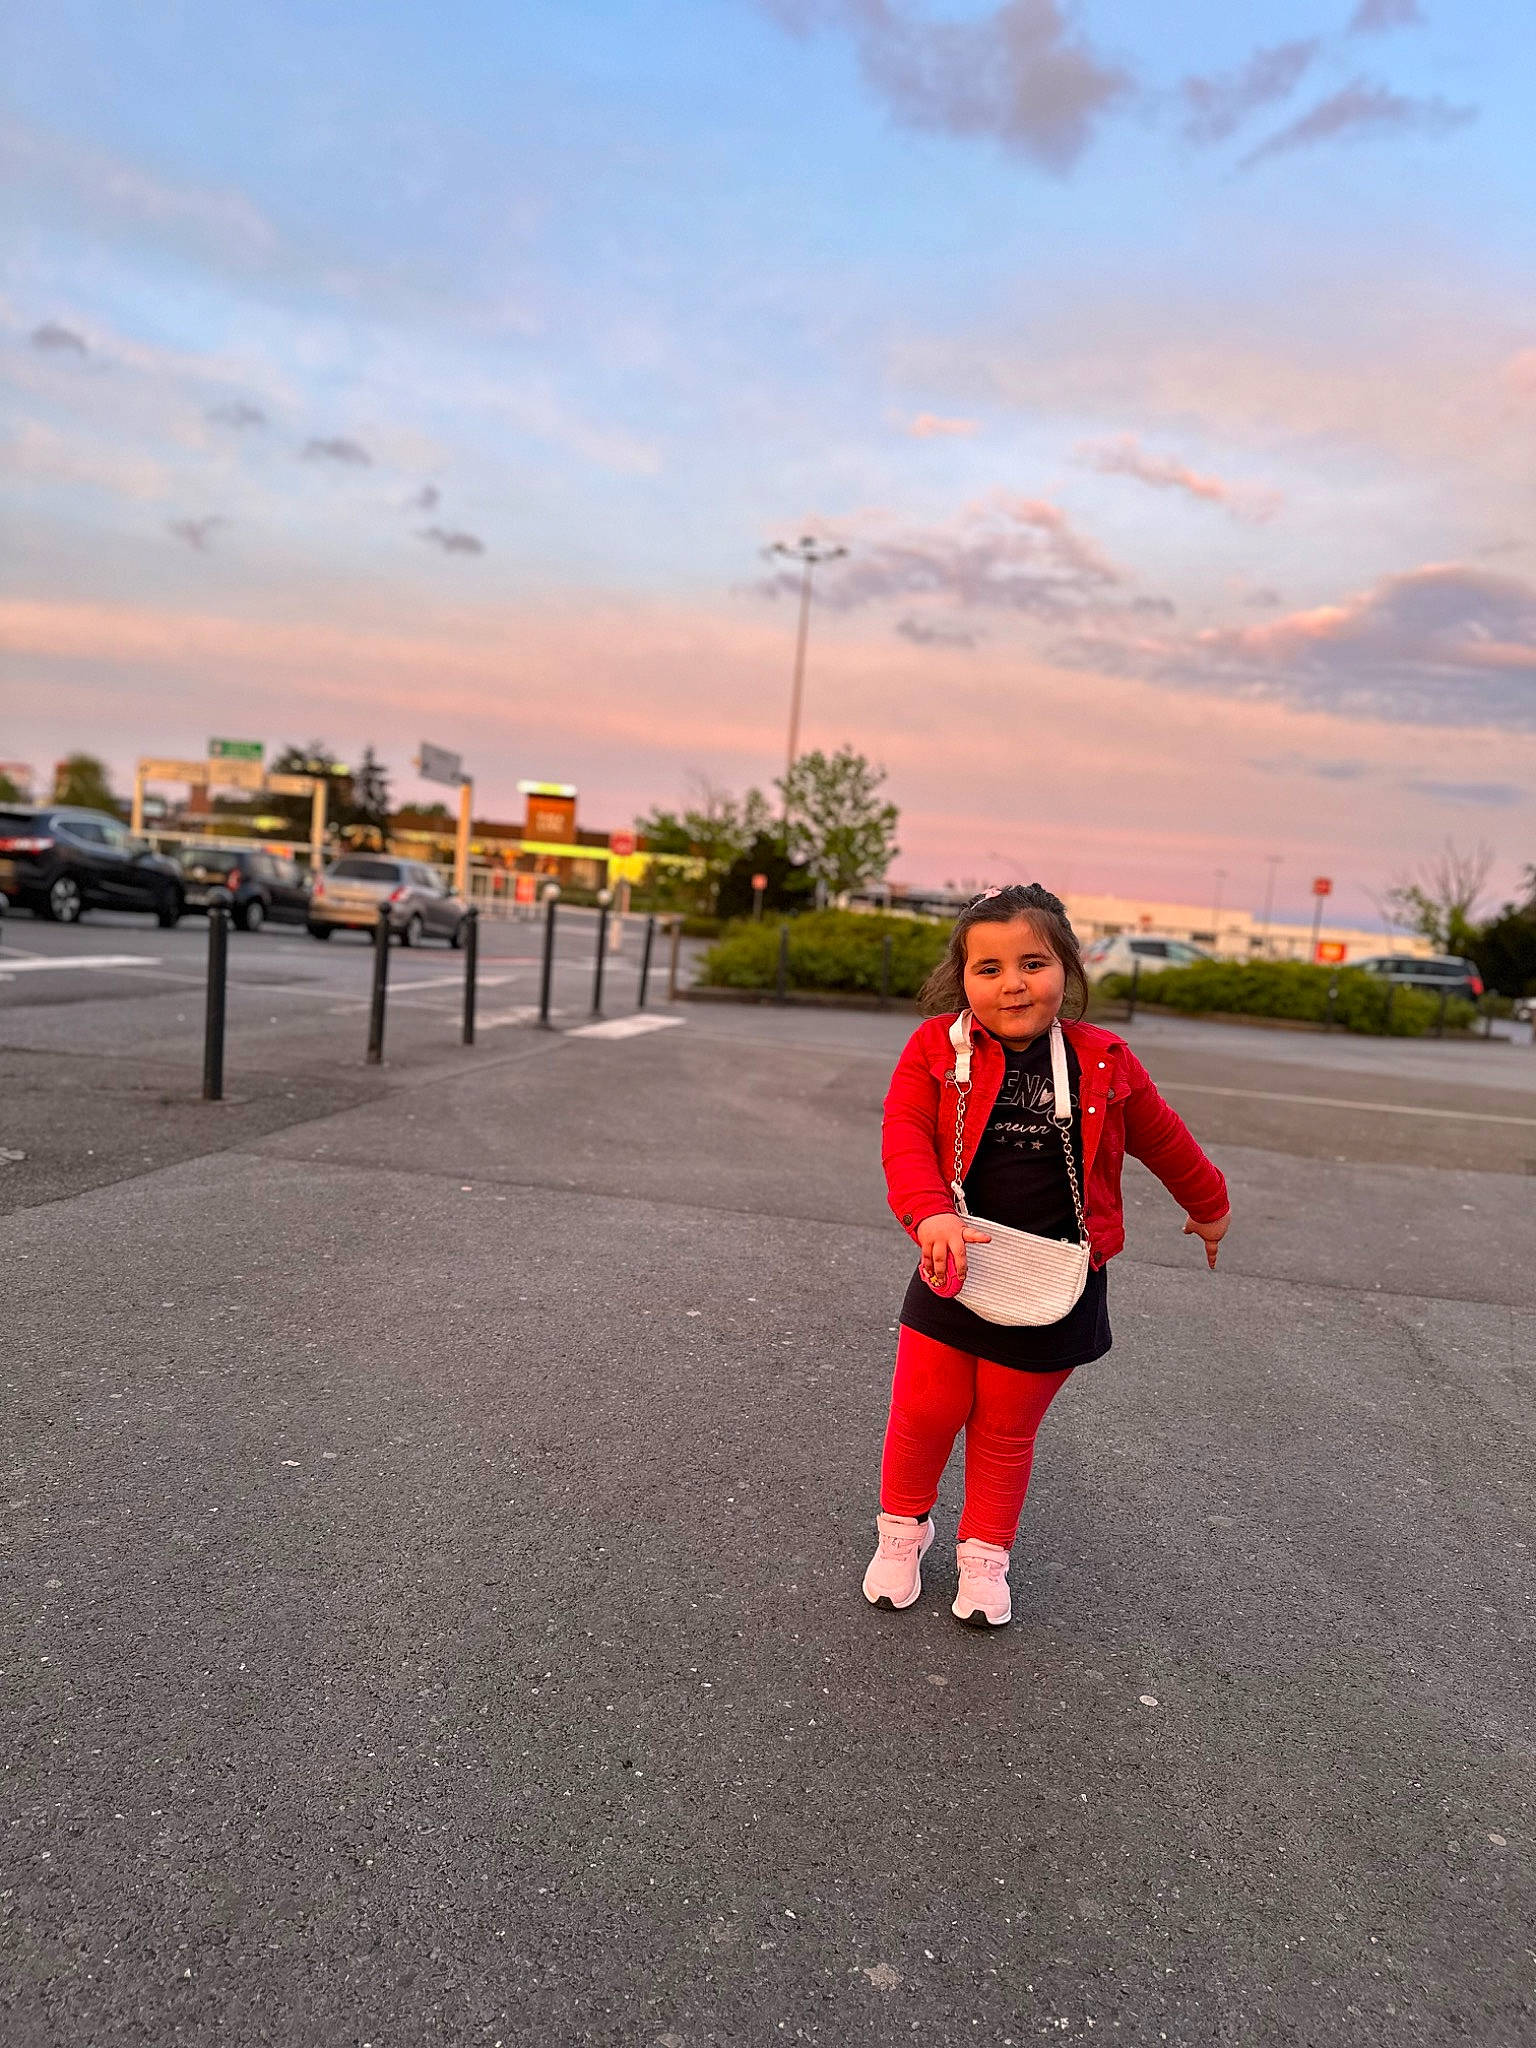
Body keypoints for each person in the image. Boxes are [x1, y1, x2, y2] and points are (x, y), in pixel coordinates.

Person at [864, 883, 1230, 1628]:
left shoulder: (1104, 1058)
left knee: (1005, 1428)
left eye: (1032, 962)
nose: (1012, 983)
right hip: (952, 1259)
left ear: (1067, 966)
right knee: (924, 1411)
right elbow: (903, 1133)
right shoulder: (937, 1047)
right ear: (961, 977)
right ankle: (902, 1534)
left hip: (1059, 1275)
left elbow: (1165, 1137)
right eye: (987, 968)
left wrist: (1210, 1207)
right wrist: (927, 1213)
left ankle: (985, 1556)